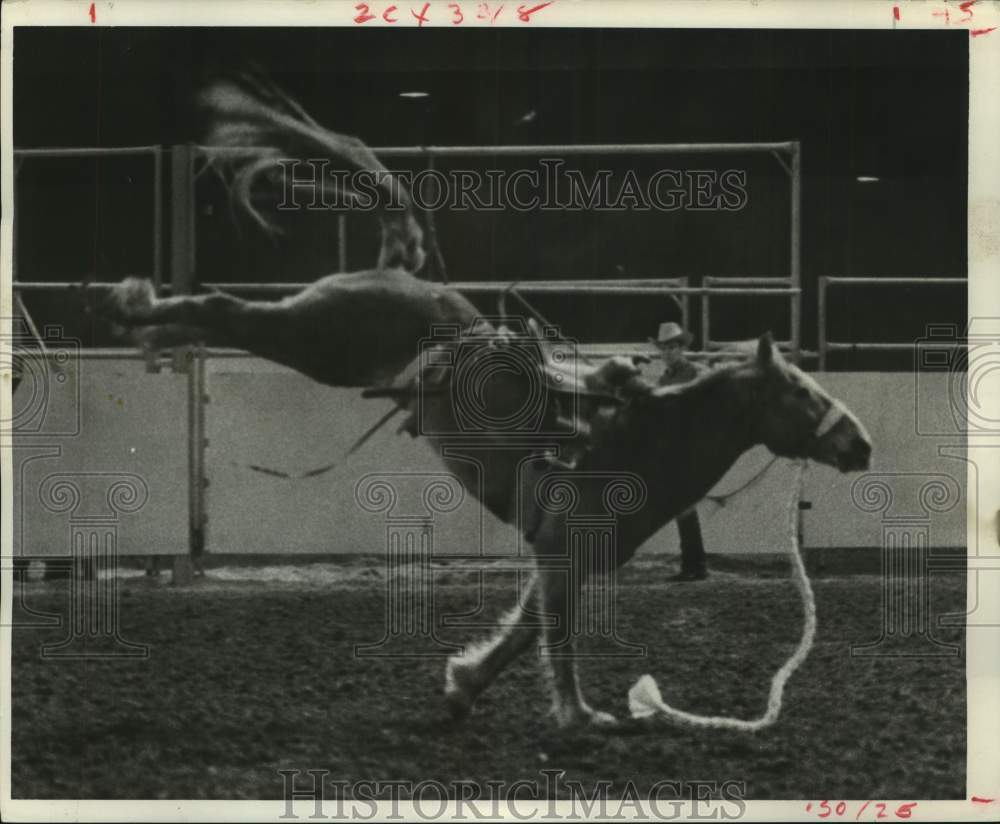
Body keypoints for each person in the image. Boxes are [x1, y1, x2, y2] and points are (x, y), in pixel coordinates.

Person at [651, 321, 710, 581]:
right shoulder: (664, 379)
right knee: (682, 507)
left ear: (682, 348)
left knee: (683, 506)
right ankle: (693, 563)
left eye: (672, 347)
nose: (668, 352)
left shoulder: (697, 373)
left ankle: (694, 564)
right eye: (664, 348)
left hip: (691, 447)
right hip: (673, 448)